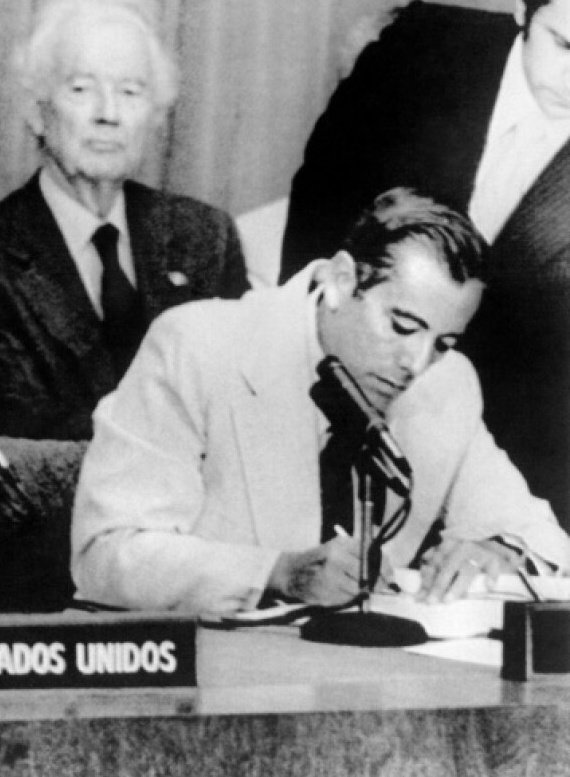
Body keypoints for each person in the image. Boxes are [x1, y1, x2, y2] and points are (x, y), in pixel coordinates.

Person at [72, 189, 570, 614]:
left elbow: (538, 534)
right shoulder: (196, 345)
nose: (416, 364)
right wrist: (277, 572)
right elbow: (106, 555)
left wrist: (499, 551)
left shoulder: (449, 385)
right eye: (401, 326)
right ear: (341, 281)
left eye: (444, 343)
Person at [280, 0, 570, 526]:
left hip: (508, 469)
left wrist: (508, 531)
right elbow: (319, 221)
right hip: (321, 412)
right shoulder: (418, 51)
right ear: (521, 7)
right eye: (565, 44)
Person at [0, 0, 248, 442]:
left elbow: (240, 408)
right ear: (36, 110)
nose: (108, 115)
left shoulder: (206, 238)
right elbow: (23, 438)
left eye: (131, 92)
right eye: (81, 89)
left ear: (154, 117)